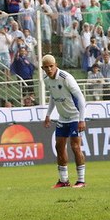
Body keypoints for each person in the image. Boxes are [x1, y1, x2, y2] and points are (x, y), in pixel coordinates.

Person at [41, 55, 87, 188]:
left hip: (75, 117)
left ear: (55, 65)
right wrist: (48, 114)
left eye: (51, 66)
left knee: (75, 147)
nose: (49, 69)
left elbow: (81, 98)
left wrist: (81, 119)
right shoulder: (46, 80)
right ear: (42, 68)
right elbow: (53, 97)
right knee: (59, 147)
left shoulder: (66, 78)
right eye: (46, 67)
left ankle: (81, 180)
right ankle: (63, 180)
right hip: (62, 118)